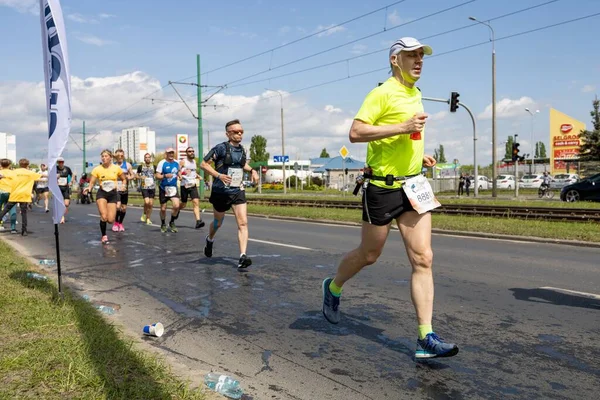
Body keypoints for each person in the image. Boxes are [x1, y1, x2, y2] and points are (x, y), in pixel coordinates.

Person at [321, 37, 458, 360]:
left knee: (423, 257)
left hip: (413, 186)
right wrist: (402, 126)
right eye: (412, 55)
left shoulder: (416, 93)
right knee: (370, 254)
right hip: (382, 188)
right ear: (396, 60)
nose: (419, 60)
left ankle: (425, 337)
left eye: (422, 55)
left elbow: (405, 138)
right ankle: (334, 286)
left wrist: (419, 157)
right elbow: (356, 132)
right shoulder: (381, 93)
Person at [200, 119, 259, 270]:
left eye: (241, 132)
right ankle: (210, 239)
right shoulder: (220, 148)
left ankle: (242, 256)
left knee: (243, 223)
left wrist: (252, 170)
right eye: (236, 132)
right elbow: (203, 164)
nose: (239, 134)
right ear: (228, 133)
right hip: (221, 191)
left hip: (237, 190)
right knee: (218, 223)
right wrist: (218, 175)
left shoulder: (242, 150)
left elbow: (242, 164)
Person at [84, 150, 126, 244]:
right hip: (102, 193)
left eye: (106, 156)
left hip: (112, 194)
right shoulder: (97, 169)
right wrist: (89, 188)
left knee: (110, 220)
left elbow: (124, 179)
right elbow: (92, 182)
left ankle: (107, 223)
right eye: (102, 156)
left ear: (110, 157)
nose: (104, 158)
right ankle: (104, 236)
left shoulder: (117, 168)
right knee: (103, 216)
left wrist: (123, 185)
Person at [0, 158, 41, 236]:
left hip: (15, 194)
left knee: (5, 210)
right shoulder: (30, 173)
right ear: (27, 165)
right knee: (24, 213)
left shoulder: (14, 172)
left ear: (19, 164)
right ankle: (24, 230)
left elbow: (4, 176)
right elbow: (41, 176)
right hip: (24, 195)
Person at [155, 148, 182, 233]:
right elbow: (157, 175)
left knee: (176, 205)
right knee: (163, 208)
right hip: (164, 188)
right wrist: (165, 176)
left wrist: (180, 176)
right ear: (166, 154)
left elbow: (179, 171)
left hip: (173, 188)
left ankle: (172, 222)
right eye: (169, 153)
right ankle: (163, 224)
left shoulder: (176, 163)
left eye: (172, 153)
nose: (171, 154)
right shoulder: (162, 163)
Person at [179, 146, 205, 229]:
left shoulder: (194, 161)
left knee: (196, 202)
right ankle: (177, 210)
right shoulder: (183, 161)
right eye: (189, 151)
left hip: (193, 185)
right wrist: (180, 176)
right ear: (186, 153)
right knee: (183, 204)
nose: (191, 152)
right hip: (184, 185)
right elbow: (177, 171)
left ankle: (198, 221)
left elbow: (192, 172)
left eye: (193, 151)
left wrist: (198, 175)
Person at [112, 149, 134, 232]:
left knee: (123, 208)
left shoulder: (127, 165)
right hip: (115, 189)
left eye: (122, 155)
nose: (120, 157)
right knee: (117, 206)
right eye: (118, 156)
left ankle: (120, 223)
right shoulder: (113, 165)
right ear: (116, 156)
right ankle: (116, 223)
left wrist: (129, 177)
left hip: (124, 189)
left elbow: (133, 175)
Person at [137, 153, 156, 225]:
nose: (147, 158)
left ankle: (148, 218)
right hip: (144, 186)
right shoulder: (140, 167)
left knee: (151, 204)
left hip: (152, 187)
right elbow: (136, 175)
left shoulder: (154, 166)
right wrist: (140, 177)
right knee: (147, 202)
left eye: (149, 157)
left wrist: (156, 176)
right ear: (144, 159)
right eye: (146, 157)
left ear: (150, 158)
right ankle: (144, 213)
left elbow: (157, 174)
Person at [0, 158, 18, 233]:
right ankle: (13, 228)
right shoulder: (13, 173)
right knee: (12, 210)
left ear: (1, 165)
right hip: (11, 192)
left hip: (1, 192)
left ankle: (0, 225)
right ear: (9, 165)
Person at [56, 157, 73, 224]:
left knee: (66, 204)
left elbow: (72, 175)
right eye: (59, 162)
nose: (61, 163)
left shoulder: (67, 169)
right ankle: (62, 217)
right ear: (57, 163)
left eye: (62, 162)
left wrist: (71, 181)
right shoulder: (55, 169)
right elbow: (51, 176)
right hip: (58, 188)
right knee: (60, 204)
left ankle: (67, 202)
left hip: (65, 188)